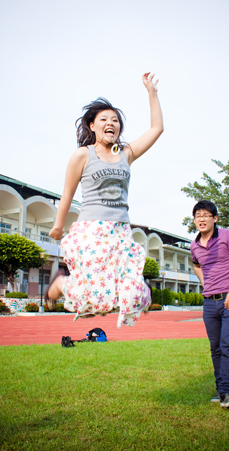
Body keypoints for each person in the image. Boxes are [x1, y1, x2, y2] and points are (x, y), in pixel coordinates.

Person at [45, 73, 163, 328]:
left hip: (121, 231)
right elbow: (68, 193)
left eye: (115, 120)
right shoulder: (82, 155)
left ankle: (70, 286)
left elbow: (156, 129)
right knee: (92, 302)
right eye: (104, 119)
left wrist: (151, 92)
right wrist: (58, 225)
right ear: (92, 125)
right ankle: (61, 284)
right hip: (91, 230)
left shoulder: (126, 153)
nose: (111, 123)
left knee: (133, 294)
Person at [190, 200, 229, 408]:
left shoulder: (227, 236)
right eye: (198, 216)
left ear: (215, 218)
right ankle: (220, 388)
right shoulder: (194, 245)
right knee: (215, 348)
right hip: (209, 303)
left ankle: (228, 393)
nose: (201, 219)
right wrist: (205, 283)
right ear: (194, 220)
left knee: (228, 343)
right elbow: (196, 265)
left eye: (206, 215)